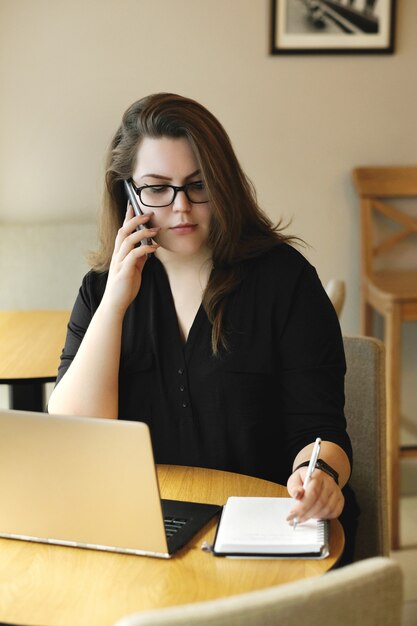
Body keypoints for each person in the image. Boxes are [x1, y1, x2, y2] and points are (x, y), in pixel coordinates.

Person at [48, 93, 358, 563]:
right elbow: (77, 439)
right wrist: (115, 304)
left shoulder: (285, 279)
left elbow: (320, 430)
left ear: (223, 184)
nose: (182, 209)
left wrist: (319, 478)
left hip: (267, 527)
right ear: (127, 192)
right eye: (157, 188)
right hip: (148, 527)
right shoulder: (102, 290)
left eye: (198, 185)